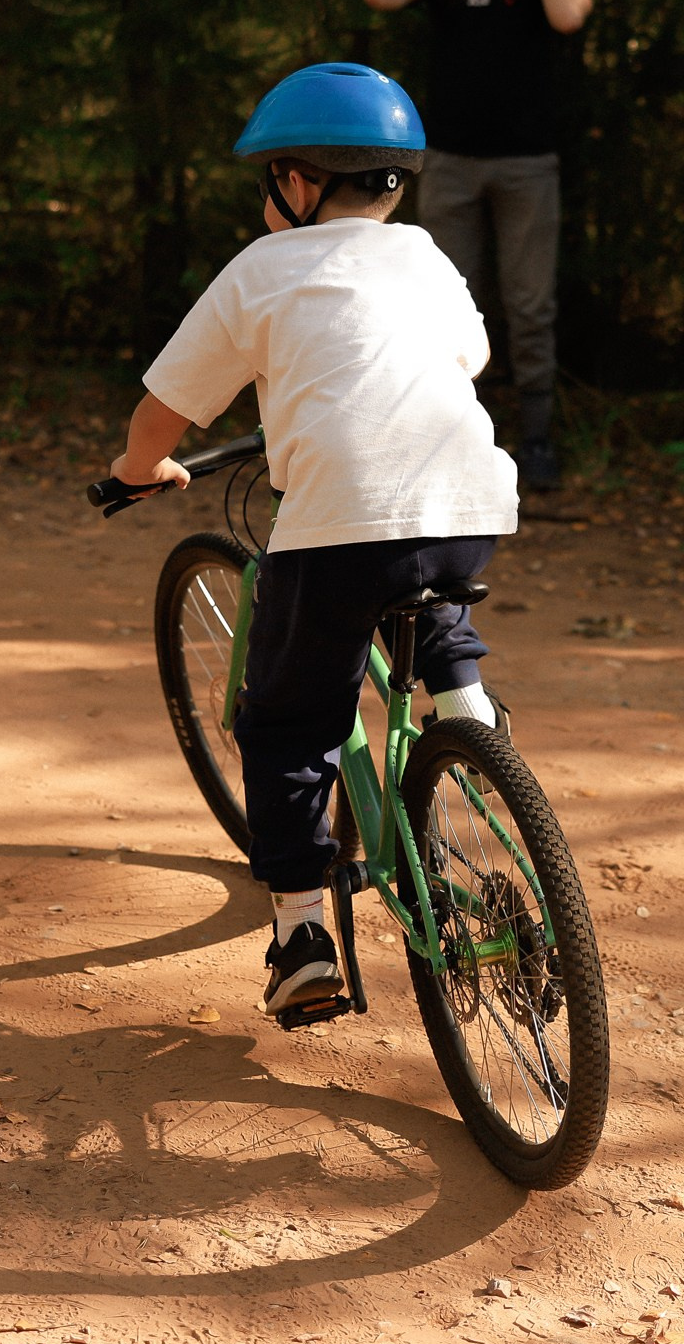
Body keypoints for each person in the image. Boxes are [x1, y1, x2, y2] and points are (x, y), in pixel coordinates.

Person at [105, 63, 519, 1013]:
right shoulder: (425, 255)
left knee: (290, 726)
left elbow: (165, 409)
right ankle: (468, 715)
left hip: (338, 529)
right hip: (469, 507)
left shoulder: (260, 270)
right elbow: (468, 356)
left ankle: (301, 937)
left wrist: (140, 470)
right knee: (425, 587)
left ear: (296, 185)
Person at [362, 0, 592, 492]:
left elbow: (570, 13)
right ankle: (451, 436)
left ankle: (538, 441)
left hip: (526, 162)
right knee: (445, 303)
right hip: (450, 160)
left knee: (529, 306)